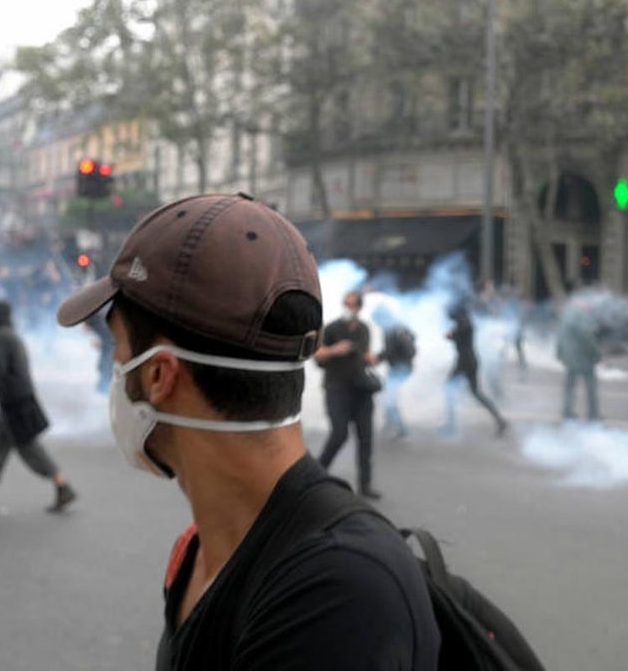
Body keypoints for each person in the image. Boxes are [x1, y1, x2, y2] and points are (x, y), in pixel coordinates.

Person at [55, 193, 439, 669]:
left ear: (159, 376)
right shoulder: (199, 549)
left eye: (118, 348)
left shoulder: (335, 599)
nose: (113, 369)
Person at [0, 300, 77, 513]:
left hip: (15, 403)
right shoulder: (10, 335)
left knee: (29, 447)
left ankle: (62, 485)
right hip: (13, 402)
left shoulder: (2, 337)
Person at [314, 291, 381, 499]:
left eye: (351, 305)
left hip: (361, 389)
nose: (347, 308)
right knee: (339, 434)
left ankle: (365, 484)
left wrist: (371, 358)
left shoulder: (364, 329)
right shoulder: (332, 328)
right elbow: (317, 356)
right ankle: (315, 477)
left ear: (359, 308)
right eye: (345, 303)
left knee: (365, 436)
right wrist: (335, 350)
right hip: (337, 388)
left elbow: (366, 354)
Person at [443, 303, 508, 437]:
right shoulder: (466, 323)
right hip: (469, 360)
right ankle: (499, 420)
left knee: (449, 390)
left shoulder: (463, 325)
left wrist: (451, 333)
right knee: (476, 393)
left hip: (464, 361)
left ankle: (451, 425)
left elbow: (450, 336)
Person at [556, 295, 601, 422]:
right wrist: (596, 354)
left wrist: (559, 353)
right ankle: (593, 413)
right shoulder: (582, 315)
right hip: (583, 357)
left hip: (570, 357)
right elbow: (587, 336)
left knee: (569, 386)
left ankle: (567, 411)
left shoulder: (566, 315)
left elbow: (560, 336)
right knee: (591, 386)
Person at [374, 307, 415, 439]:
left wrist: (375, 358)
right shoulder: (400, 326)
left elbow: (389, 351)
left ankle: (401, 428)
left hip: (399, 367)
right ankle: (389, 423)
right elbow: (413, 337)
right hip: (404, 366)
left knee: (390, 397)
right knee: (388, 395)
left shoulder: (390, 330)